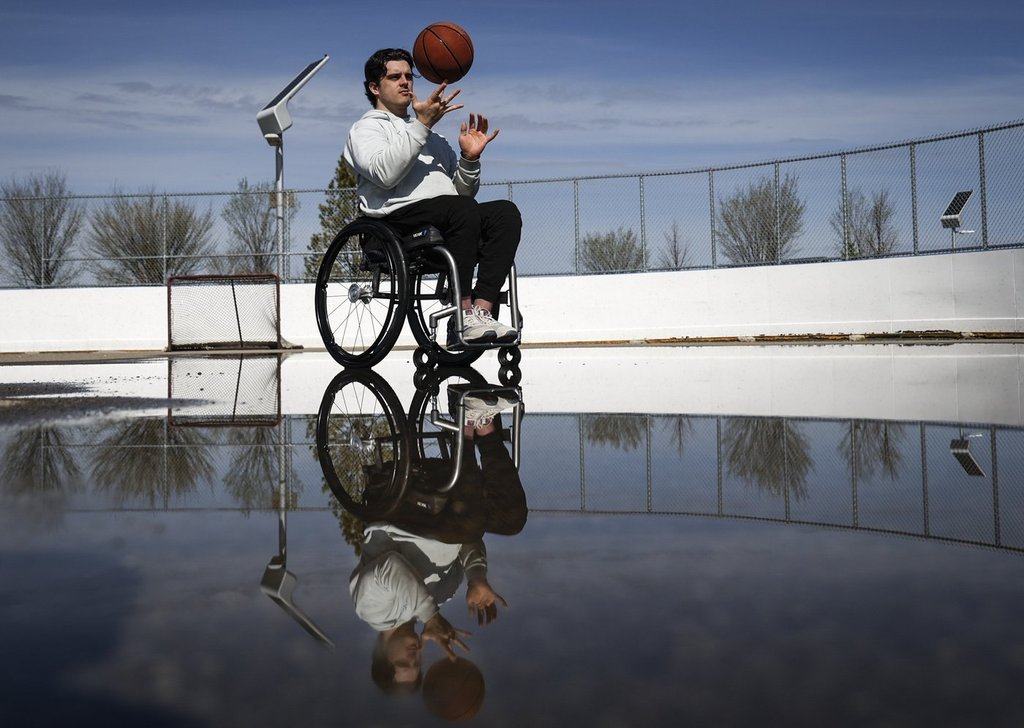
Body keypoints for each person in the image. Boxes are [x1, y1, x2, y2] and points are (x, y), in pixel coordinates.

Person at [343, 47, 521, 348]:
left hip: (446, 214)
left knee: (505, 213)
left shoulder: (434, 138)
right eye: (394, 77)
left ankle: (481, 312)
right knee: (461, 210)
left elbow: (462, 193)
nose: (405, 83)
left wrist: (468, 159)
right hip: (393, 219)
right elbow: (385, 175)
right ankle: (461, 315)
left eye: (409, 77)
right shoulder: (366, 128)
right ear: (375, 87)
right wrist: (422, 125)